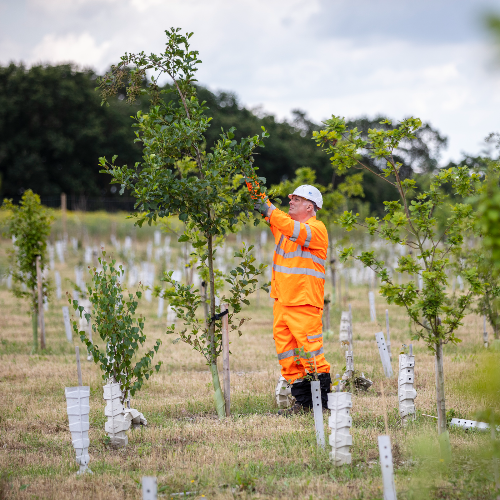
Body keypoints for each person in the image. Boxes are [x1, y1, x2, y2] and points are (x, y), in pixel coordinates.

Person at [250, 182, 331, 415]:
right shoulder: (285, 227)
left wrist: (271, 211)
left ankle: (322, 404)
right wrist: (249, 179)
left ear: (309, 206)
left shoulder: (316, 229)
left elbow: (282, 221)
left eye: (296, 199)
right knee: (288, 355)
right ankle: (303, 403)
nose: (291, 201)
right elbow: (269, 211)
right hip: (282, 301)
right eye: (291, 198)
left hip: (304, 302)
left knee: (311, 352)